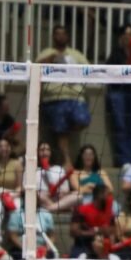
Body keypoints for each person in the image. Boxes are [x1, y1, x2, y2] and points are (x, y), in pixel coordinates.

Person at [35, 25, 90, 161]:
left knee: (83, 120)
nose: (60, 36)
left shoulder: (75, 54)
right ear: (53, 36)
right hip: (54, 98)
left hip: (75, 97)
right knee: (61, 129)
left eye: (63, 33)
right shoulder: (46, 52)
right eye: (57, 34)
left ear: (68, 36)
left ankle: (65, 130)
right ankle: (67, 160)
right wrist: (51, 59)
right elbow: (35, 70)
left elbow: (90, 70)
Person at [104, 23, 131, 168]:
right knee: (120, 126)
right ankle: (123, 161)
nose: (128, 37)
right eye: (125, 34)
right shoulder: (116, 53)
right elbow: (110, 72)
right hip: (119, 92)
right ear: (121, 37)